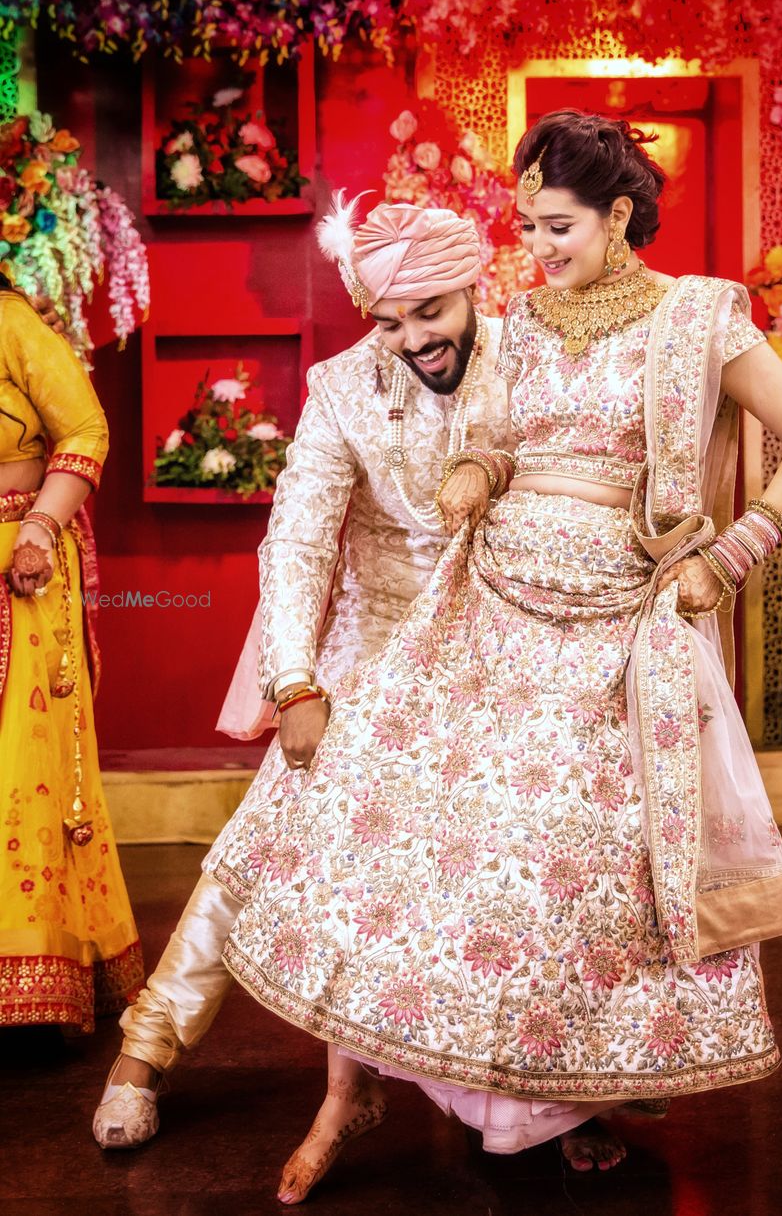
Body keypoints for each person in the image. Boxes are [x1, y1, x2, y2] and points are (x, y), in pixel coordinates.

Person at [204, 108, 782, 1203]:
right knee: (445, 851)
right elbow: (503, 437)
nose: (537, 248)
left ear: (621, 213)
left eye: (556, 226)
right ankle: (438, 1089)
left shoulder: (700, 318)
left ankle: (573, 1098)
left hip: (617, 626)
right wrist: (477, 475)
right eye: (527, 225)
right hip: (492, 608)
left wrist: (735, 553)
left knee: (580, 872)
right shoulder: (527, 322)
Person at [92, 200, 509, 1148]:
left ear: (473, 284)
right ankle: (144, 1053)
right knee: (262, 847)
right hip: (373, 642)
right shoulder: (343, 388)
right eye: (388, 320)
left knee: (516, 871)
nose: (411, 339)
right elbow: (300, 542)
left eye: (431, 311)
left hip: (498, 645)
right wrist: (297, 682)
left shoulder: (531, 362)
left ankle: (538, 1099)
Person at [0, 274, 144, 1033]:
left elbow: (85, 430)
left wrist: (37, 530)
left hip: (17, 562)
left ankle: (35, 972)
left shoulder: (11, 322)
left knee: (22, 767)